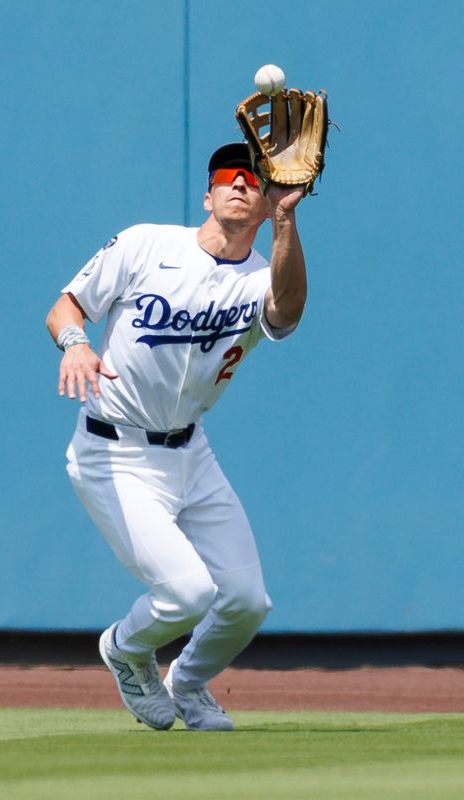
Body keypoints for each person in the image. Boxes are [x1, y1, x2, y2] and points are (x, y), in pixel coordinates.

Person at [45, 142, 308, 731]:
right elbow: (65, 307)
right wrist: (75, 344)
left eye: (252, 179)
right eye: (227, 176)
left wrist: (288, 217)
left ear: (265, 204)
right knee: (187, 593)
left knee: (245, 602)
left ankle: (186, 684)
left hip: (190, 452)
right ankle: (124, 647)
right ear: (208, 194)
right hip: (112, 451)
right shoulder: (145, 244)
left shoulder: (261, 278)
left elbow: (288, 308)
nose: (239, 184)